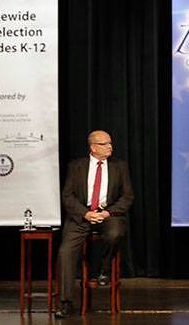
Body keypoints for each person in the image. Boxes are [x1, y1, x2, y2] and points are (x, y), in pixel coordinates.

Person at [55, 130, 134, 318]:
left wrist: (108, 212)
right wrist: (86, 214)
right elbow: (67, 196)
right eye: (104, 144)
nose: (110, 147)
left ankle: (103, 269)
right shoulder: (76, 166)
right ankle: (66, 302)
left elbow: (127, 196)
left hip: (108, 214)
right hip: (82, 215)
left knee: (115, 233)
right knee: (65, 252)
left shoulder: (119, 166)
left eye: (110, 143)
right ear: (93, 147)